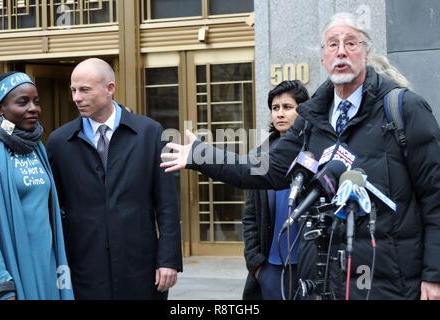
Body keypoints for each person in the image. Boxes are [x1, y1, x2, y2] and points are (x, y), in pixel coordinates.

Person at [161, 12, 440, 300]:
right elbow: (262, 168)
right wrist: (201, 155)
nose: (341, 51)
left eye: (351, 43)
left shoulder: (403, 109)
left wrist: (434, 275)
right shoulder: (310, 120)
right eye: (332, 44)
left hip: (389, 282)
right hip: (325, 282)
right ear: (322, 57)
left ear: (367, 53)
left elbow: (435, 196)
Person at [46, 58, 182, 300]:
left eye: (85, 89)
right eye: (73, 90)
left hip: (141, 267)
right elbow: (53, 210)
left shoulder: (150, 133)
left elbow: (167, 204)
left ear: (110, 89)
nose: (77, 97)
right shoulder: (59, 142)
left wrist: (169, 260)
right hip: (84, 269)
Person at [0, 72, 73, 300]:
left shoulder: (36, 147)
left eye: (36, 101)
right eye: (22, 102)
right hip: (14, 267)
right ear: (0, 109)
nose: (33, 108)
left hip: (48, 266)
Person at [243, 80, 309, 300]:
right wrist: (256, 265)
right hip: (270, 266)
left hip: (307, 264)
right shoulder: (260, 156)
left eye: (287, 107)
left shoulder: (316, 149)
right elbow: (250, 216)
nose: (280, 113)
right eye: (275, 108)